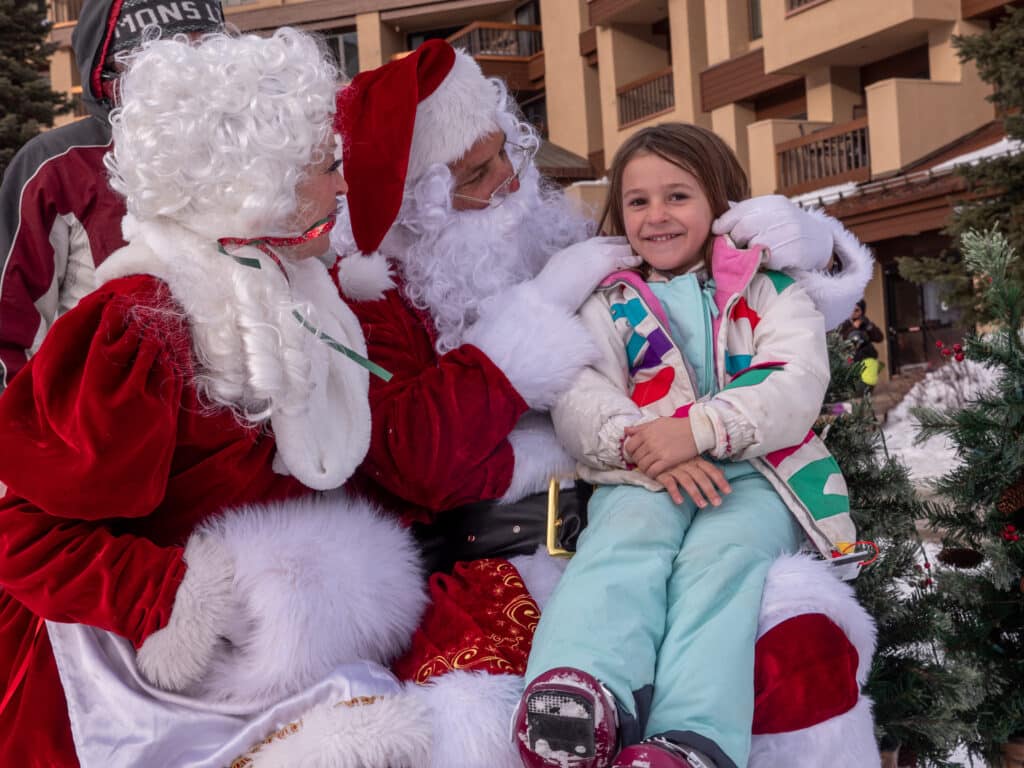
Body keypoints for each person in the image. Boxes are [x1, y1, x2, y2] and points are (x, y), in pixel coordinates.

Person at [312, 40, 878, 768]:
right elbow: (414, 458)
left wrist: (800, 249)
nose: (512, 185)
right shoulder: (377, 301)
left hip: (702, 495)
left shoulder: (573, 236)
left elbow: (739, 321)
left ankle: (691, 743)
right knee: (479, 728)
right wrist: (534, 322)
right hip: (511, 557)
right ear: (420, 204)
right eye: (476, 176)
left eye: (507, 156)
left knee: (793, 649)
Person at [0, 29, 430, 767]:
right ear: (255, 181)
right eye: (326, 167)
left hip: (274, 658)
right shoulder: (138, 324)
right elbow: (22, 535)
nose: (343, 185)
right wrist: (178, 599)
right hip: (134, 686)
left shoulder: (298, 289)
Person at [514, 123, 857, 768]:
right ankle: (580, 693)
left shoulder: (769, 289)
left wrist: (695, 431)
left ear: (720, 201)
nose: (656, 216)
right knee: (620, 551)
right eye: (638, 201)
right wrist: (644, 444)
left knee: (719, 569)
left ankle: (689, 736)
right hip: (641, 472)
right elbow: (579, 391)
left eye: (678, 196)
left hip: (757, 476)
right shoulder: (606, 301)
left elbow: (794, 380)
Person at [0, 0, 225, 392]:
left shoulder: (250, 153)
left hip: (228, 435)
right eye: (165, 52)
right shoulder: (56, 166)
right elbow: (11, 327)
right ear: (110, 67)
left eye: (204, 47)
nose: (190, 70)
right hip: (97, 430)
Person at [838, 299, 885, 388]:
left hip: (866, 357)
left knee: (867, 380)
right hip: (850, 359)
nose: (853, 312)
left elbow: (879, 338)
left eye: (856, 310)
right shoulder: (844, 324)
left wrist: (869, 327)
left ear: (862, 311)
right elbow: (841, 339)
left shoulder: (866, 323)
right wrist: (854, 327)